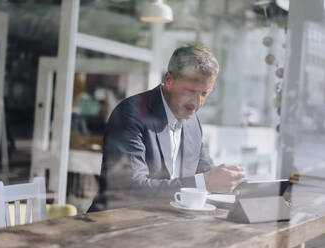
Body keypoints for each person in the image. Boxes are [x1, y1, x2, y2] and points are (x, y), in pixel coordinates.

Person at [90, 43, 245, 210]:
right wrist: (205, 182)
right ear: (169, 80)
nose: (196, 103)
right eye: (191, 91)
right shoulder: (130, 114)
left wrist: (232, 184)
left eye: (204, 93)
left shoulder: (193, 124)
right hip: (115, 225)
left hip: (165, 225)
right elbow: (131, 189)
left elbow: (208, 173)